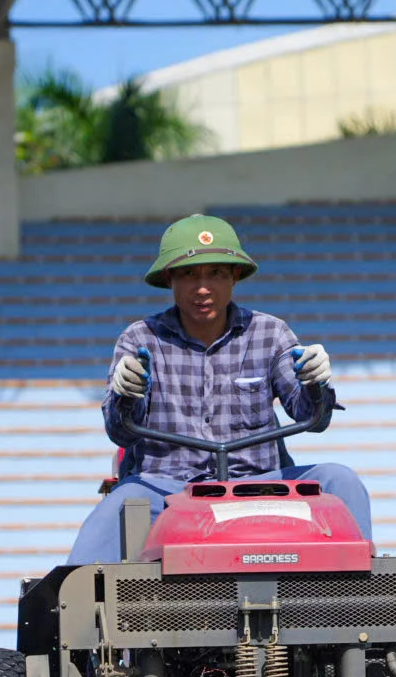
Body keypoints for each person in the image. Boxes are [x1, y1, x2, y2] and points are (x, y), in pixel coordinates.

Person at [65, 213, 373, 565]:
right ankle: (63, 609)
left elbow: (312, 419)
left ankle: (363, 594)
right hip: (168, 489)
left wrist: (315, 384)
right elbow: (120, 432)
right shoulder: (140, 339)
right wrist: (126, 394)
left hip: (262, 486)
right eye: (188, 274)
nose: (202, 288)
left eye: (216, 273)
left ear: (235, 277)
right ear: (169, 279)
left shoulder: (270, 334)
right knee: (119, 503)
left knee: (340, 479)